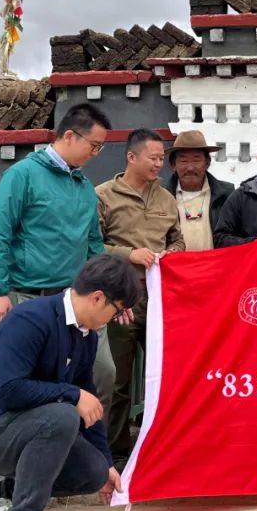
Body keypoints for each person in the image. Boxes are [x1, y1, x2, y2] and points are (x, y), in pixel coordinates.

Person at [0, 254, 140, 511]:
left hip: (18, 429)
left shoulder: (85, 336)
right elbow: (9, 390)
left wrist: (106, 462)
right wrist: (72, 394)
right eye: (116, 312)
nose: (113, 320)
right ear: (98, 298)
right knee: (62, 416)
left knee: (93, 471)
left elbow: (89, 403)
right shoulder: (30, 319)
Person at [0, 102, 116, 410]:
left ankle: (89, 438)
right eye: (94, 145)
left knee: (102, 373)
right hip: (29, 297)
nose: (96, 154)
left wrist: (110, 290)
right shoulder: (23, 175)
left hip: (77, 300)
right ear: (69, 136)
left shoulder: (84, 187)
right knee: (32, 380)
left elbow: (94, 244)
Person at [95, 129, 184, 468]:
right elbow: (92, 246)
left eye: (162, 158)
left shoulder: (166, 199)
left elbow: (178, 240)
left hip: (160, 300)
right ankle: (115, 454)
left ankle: (163, 448)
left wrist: (170, 254)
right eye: (153, 157)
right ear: (131, 157)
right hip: (118, 301)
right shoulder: (103, 195)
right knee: (118, 379)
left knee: (167, 376)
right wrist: (128, 254)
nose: (159, 164)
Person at [163, 130, 234, 253]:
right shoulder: (162, 196)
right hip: (175, 264)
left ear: (207, 163)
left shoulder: (226, 194)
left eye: (196, 160)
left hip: (215, 264)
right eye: (183, 161)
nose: (190, 167)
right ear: (173, 164)